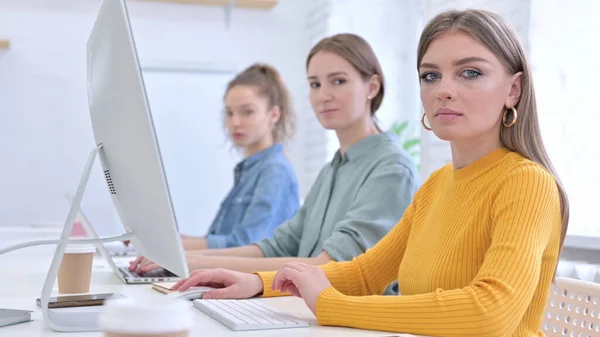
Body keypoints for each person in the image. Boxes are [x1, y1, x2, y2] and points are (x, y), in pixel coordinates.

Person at [172, 9, 569, 337]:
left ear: (513, 90)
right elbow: (364, 273)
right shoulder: (436, 186)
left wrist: (330, 305)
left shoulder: (526, 182)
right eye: (431, 75)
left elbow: (490, 312)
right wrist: (260, 283)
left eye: (470, 72)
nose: (443, 90)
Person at [131, 33, 420, 295]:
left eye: (339, 81)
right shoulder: (334, 168)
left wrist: (189, 261)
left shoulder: (391, 168)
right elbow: (276, 246)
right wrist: (187, 260)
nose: (323, 95)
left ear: (372, 87)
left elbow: (331, 265)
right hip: (305, 310)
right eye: (315, 84)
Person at [130, 63, 300, 251]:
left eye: (247, 112)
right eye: (229, 113)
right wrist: (163, 239)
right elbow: (221, 239)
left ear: (274, 114)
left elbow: (244, 245)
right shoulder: (249, 170)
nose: (235, 122)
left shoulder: (274, 171)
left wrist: (169, 244)